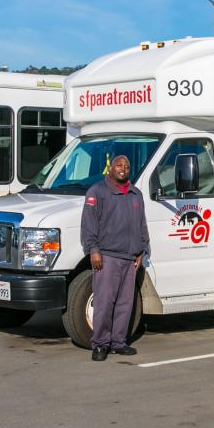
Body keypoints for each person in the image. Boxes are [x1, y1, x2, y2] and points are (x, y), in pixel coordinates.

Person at [80, 154, 149, 361]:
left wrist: (142, 250)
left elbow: (141, 224)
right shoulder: (97, 192)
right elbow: (88, 224)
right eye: (119, 165)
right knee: (104, 302)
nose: (123, 168)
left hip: (130, 259)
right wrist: (93, 250)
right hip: (107, 257)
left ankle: (119, 343)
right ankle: (100, 344)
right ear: (111, 168)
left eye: (126, 166)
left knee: (125, 303)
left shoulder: (136, 194)